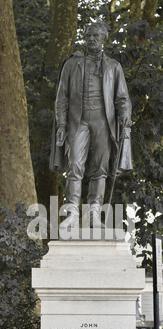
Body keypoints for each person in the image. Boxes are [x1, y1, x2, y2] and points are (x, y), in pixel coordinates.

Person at [49, 20, 132, 227]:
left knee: (100, 169)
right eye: (88, 36)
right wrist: (61, 125)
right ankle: (72, 214)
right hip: (78, 122)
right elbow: (62, 98)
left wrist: (125, 117)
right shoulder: (71, 65)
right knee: (75, 166)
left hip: (104, 122)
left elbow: (122, 98)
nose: (91, 39)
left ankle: (94, 214)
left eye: (96, 36)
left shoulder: (114, 67)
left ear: (104, 39)